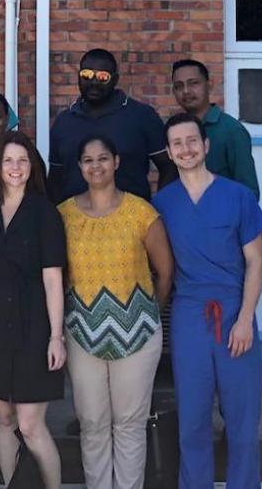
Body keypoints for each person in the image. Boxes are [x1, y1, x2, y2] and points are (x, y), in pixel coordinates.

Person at [152, 113, 262, 489]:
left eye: (192, 141)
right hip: (189, 316)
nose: (185, 149)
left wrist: (245, 319)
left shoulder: (238, 197)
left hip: (235, 311)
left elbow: (256, 262)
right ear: (169, 153)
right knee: (193, 419)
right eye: (177, 144)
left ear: (205, 146)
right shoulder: (162, 204)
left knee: (242, 420)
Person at [59, 135, 175, 489]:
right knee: (92, 423)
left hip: (138, 334)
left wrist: (148, 315)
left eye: (103, 158)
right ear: (80, 167)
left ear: (117, 162)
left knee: (129, 422)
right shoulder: (63, 215)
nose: (96, 166)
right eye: (89, 160)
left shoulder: (141, 212)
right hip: (81, 334)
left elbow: (166, 271)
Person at [0, 130, 66, 489]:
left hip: (34, 322)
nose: (15, 167)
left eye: (22, 160)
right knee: (3, 416)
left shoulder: (45, 212)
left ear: (32, 166)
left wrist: (56, 337)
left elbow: (53, 278)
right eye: (8, 160)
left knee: (30, 424)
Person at [48, 48, 175, 204]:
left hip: (132, 221)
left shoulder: (142, 116)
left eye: (103, 77)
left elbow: (168, 166)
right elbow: (55, 178)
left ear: (115, 80)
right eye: (86, 75)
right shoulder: (63, 122)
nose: (94, 82)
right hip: (74, 223)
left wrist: (161, 207)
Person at [170, 58, 260, 199]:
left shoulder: (231, 130)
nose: (186, 91)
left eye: (193, 83)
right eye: (179, 86)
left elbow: (249, 192)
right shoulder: (175, 131)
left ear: (209, 85)